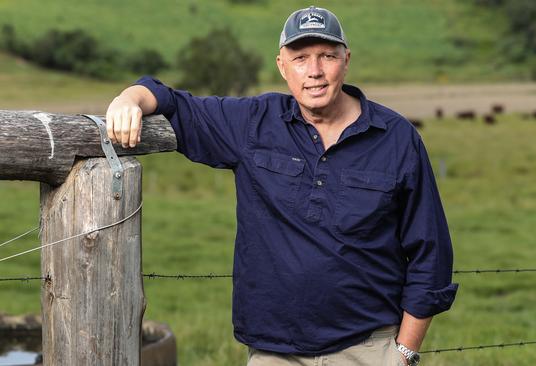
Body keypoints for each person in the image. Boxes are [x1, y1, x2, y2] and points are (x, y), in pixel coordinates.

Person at [106, 6, 458, 366]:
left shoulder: (397, 139)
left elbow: (431, 253)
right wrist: (128, 100)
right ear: (282, 66)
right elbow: (175, 103)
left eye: (327, 56)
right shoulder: (253, 124)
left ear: (346, 60)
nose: (315, 71)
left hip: (369, 348)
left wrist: (403, 353)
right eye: (301, 58)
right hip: (274, 354)